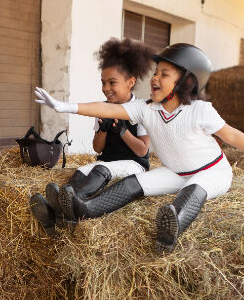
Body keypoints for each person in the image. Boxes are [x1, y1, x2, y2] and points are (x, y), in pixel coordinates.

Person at [34, 43, 244, 252]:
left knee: (193, 191)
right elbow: (107, 107)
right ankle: (84, 210)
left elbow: (232, 135)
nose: (154, 79)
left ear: (185, 82)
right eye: (155, 73)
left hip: (211, 172)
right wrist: (64, 106)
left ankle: (171, 228)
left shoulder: (200, 110)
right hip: (174, 171)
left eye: (164, 74)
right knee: (132, 184)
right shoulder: (146, 109)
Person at [29, 38, 155, 235]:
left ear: (130, 82)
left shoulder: (141, 109)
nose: (106, 88)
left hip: (134, 165)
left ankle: (66, 208)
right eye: (103, 82)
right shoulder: (102, 109)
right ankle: (56, 210)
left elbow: (142, 149)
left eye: (112, 82)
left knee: (101, 168)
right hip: (107, 162)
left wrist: (121, 131)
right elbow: (98, 148)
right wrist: (104, 130)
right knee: (82, 170)